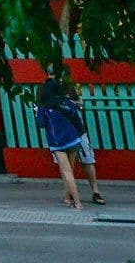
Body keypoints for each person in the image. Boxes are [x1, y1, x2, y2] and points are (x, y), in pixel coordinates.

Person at [37, 79, 105, 209]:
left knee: (73, 168)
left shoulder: (47, 103)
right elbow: (76, 109)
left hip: (60, 140)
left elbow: (41, 123)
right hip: (74, 136)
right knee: (74, 167)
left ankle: (78, 198)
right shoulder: (64, 100)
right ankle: (71, 196)